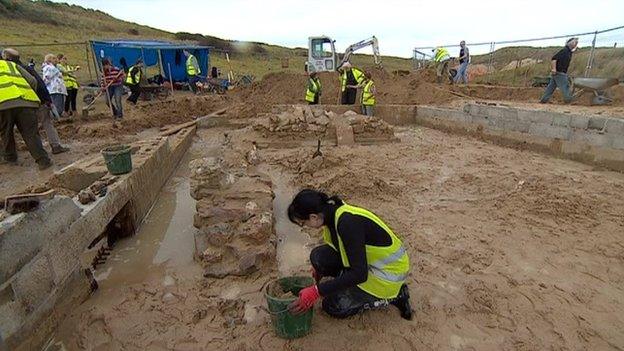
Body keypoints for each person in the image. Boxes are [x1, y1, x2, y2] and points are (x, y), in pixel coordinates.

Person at [287, 189, 412, 320]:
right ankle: (345, 278)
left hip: (385, 275)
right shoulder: (331, 212)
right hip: (367, 263)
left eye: (303, 223)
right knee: (318, 258)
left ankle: (395, 297)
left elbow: (359, 274)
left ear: (313, 217)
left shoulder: (347, 223)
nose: (305, 226)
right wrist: (320, 270)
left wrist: (316, 291)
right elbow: (338, 247)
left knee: (332, 305)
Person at [2, 49, 69, 155]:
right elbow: (37, 82)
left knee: (9, 131)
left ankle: (11, 157)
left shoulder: (12, 68)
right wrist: (45, 99)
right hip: (33, 101)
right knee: (36, 128)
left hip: (15, 103)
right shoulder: (24, 68)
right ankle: (50, 150)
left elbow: (37, 83)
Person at [0, 56, 52, 169]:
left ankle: (10, 159)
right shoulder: (12, 65)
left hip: (2, 105)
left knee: (5, 133)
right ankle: (43, 161)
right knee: (31, 134)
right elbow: (32, 81)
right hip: (25, 102)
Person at [539, 37, 578, 104]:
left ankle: (544, 100)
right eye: (574, 42)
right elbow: (554, 59)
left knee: (551, 87)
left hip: (559, 72)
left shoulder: (569, 52)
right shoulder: (564, 51)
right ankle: (568, 100)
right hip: (559, 72)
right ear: (569, 43)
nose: (575, 44)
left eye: (576, 43)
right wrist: (554, 69)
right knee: (565, 86)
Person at [42, 53, 67, 118]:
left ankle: (55, 118)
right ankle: (53, 118)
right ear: (49, 60)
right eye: (53, 58)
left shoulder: (54, 68)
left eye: (55, 58)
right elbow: (46, 78)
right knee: (57, 107)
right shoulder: (49, 68)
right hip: (54, 90)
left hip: (59, 90)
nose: (56, 60)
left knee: (60, 107)